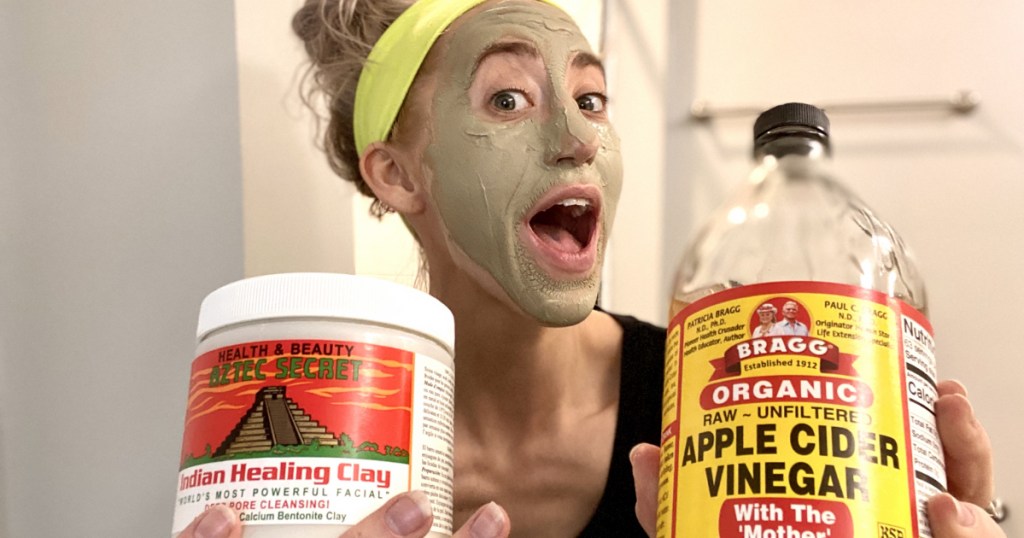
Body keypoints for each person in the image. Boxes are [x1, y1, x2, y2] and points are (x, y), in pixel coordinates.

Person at [179, 1, 1005, 536]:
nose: (578, 138)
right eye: (507, 99)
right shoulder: (321, 458)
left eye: (592, 99)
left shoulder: (725, 407)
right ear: (396, 173)